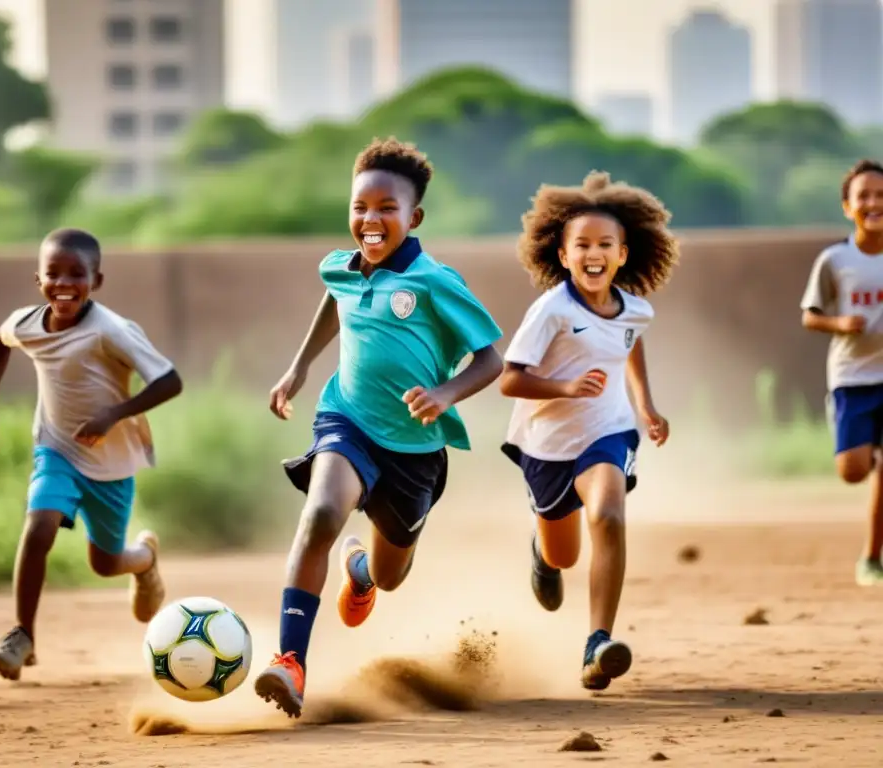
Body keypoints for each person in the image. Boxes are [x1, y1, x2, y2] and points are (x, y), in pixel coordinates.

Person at [253, 137, 504, 718]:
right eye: (361, 206)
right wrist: (299, 367)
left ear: (413, 217)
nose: (370, 219)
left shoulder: (435, 281)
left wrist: (444, 394)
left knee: (391, 576)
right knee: (319, 514)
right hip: (348, 421)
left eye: (386, 208)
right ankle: (290, 662)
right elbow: (334, 300)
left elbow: (491, 359)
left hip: (415, 452)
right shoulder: (339, 266)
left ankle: (362, 570)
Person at [0, 228, 183, 681]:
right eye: (54, 274)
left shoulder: (111, 330)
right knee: (39, 525)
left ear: (97, 280)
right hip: (57, 449)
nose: (64, 284)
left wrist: (115, 414)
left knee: (104, 563)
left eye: (77, 274)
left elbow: (170, 381)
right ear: (38, 279)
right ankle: (21, 635)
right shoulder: (27, 323)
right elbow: (0, 341)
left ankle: (143, 560)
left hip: (112, 464)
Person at [497, 171, 677, 691]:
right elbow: (510, 379)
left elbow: (630, 342)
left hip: (609, 432)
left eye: (605, 244)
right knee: (563, 554)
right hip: (546, 444)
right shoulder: (550, 310)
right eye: (582, 245)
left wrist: (645, 406)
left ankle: (598, 643)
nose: (593, 253)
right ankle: (542, 552)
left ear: (623, 254)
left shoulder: (636, 309)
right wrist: (564, 387)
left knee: (609, 515)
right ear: (563, 255)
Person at [800, 159, 883, 587]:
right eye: (863, 196)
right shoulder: (836, 259)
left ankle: (872, 557)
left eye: (880, 195)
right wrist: (840, 323)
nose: (874, 203)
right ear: (848, 207)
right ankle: (863, 447)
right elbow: (810, 315)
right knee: (853, 471)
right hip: (852, 378)